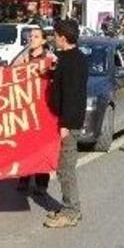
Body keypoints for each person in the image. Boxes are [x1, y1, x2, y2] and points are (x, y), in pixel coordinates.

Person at [44, 18, 88, 229]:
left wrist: (66, 125)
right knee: (63, 167)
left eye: (55, 35)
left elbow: (72, 95)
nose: (53, 38)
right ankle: (67, 206)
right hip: (66, 121)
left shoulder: (73, 62)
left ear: (63, 37)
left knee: (66, 168)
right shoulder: (69, 58)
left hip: (69, 124)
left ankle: (72, 211)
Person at [13, 27, 54, 196]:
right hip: (26, 110)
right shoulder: (23, 57)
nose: (32, 39)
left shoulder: (50, 58)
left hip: (44, 110)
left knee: (41, 146)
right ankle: (24, 178)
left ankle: (41, 183)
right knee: (25, 145)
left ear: (43, 41)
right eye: (30, 37)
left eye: (36, 37)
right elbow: (10, 75)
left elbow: (54, 78)